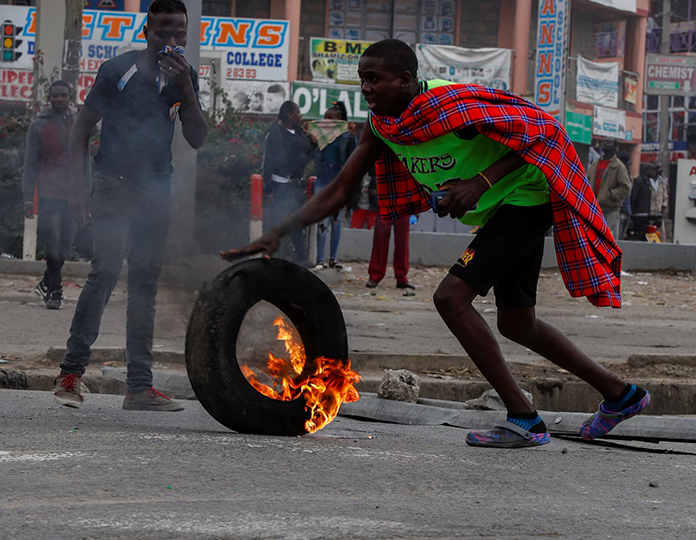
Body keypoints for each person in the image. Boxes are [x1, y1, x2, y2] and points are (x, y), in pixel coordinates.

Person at [222, 39, 650, 449]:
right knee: (517, 324)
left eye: (375, 79)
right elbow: (340, 191)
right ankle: (621, 395)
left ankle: (523, 417)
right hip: (502, 208)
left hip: (525, 198)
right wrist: (279, 230)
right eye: (362, 79)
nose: (366, 88)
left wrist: (478, 183)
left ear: (406, 80)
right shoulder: (382, 124)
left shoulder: (453, 104)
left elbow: (543, 132)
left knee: (451, 297)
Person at [53, 0, 207, 411]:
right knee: (104, 271)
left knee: (144, 284)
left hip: (156, 192)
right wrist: (78, 188)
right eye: (163, 32)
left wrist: (187, 88)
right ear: (146, 32)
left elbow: (197, 137)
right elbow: (80, 131)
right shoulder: (117, 70)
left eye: (180, 33)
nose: (171, 40)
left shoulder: (185, 77)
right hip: (112, 185)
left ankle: (139, 388)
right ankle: (70, 376)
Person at [23, 80, 80, 310]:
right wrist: (28, 197)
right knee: (54, 246)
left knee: (66, 245)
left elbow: (87, 156)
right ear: (49, 98)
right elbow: (30, 163)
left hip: (73, 195)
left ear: (70, 97)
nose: (59, 99)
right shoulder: (38, 126)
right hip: (48, 194)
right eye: (55, 95)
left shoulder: (78, 124)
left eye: (63, 95)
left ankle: (46, 282)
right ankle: (55, 292)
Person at [262, 101, 315, 265]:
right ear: (290, 114)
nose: (301, 116)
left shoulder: (300, 133)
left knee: (297, 222)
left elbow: (306, 157)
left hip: (295, 185)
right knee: (276, 221)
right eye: (298, 112)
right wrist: (269, 189)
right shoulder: (275, 134)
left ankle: (300, 257)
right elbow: (268, 162)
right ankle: (270, 256)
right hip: (279, 185)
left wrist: (313, 143)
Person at [309, 101, 357, 269]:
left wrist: (352, 135)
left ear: (339, 120)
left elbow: (354, 156)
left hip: (338, 179)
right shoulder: (319, 135)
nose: (326, 122)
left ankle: (333, 258)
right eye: (325, 118)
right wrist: (312, 141)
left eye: (330, 119)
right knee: (322, 220)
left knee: (336, 221)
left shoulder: (346, 135)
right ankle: (320, 259)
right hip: (323, 177)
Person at [586, 139, 631, 238]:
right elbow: (586, 182)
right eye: (604, 142)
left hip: (610, 210)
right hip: (594, 209)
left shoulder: (619, 166)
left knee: (609, 239)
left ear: (615, 147)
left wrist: (610, 194)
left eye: (608, 142)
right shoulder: (594, 164)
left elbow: (626, 188)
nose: (605, 144)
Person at [631, 162, 669, 241]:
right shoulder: (644, 181)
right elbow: (635, 197)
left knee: (662, 237)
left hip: (658, 213)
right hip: (647, 213)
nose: (657, 170)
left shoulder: (661, 181)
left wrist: (663, 210)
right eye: (655, 168)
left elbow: (665, 196)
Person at [616, 151, 632, 241]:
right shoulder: (617, 173)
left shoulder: (627, 176)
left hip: (626, 211)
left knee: (620, 238)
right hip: (620, 211)